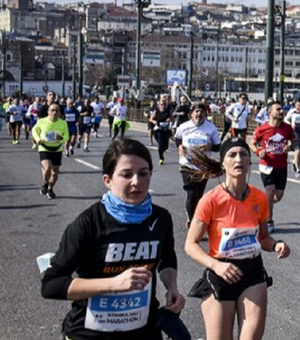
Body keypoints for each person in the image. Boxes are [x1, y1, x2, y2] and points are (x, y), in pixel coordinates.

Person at [41, 138, 186, 340]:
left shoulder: (160, 218)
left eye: (143, 173)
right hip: (90, 333)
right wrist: (113, 283)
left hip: (144, 331)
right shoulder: (89, 222)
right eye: (126, 175)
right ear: (108, 180)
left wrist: (172, 287)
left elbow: (167, 257)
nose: (137, 181)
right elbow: (51, 285)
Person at [184, 137, 290, 340]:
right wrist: (216, 266)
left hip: (252, 272)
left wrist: (276, 245)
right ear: (223, 162)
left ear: (250, 162)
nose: (238, 159)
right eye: (232, 155)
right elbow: (190, 245)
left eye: (243, 154)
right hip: (221, 272)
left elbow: (264, 237)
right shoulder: (211, 200)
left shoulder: (259, 198)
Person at [249, 100, 296, 233]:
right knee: (269, 191)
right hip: (266, 165)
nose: (282, 112)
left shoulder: (287, 128)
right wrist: (258, 151)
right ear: (270, 112)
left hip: (281, 166)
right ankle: (269, 221)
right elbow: (252, 143)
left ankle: (265, 204)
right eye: (278, 109)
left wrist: (290, 147)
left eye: (282, 110)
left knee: (278, 196)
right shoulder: (262, 129)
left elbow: (294, 141)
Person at [175, 102, 222, 227]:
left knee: (198, 194)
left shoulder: (211, 128)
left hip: (203, 165)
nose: (199, 114)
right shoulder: (184, 126)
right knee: (191, 191)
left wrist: (209, 146)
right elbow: (177, 138)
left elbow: (218, 146)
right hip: (187, 164)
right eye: (196, 111)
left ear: (205, 114)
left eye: (201, 112)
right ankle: (192, 219)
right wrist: (179, 145)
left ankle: (196, 212)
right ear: (191, 114)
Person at [33, 103, 69, 199]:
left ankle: (50, 189)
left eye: (56, 110)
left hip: (57, 149)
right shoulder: (42, 121)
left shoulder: (63, 123)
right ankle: (45, 183)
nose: (54, 112)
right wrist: (38, 139)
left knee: (54, 173)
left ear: (60, 113)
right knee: (47, 168)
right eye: (52, 110)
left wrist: (61, 138)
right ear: (48, 112)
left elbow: (66, 136)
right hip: (44, 147)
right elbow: (34, 130)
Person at [150, 95, 174, 165]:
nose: (163, 105)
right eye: (161, 104)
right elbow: (151, 119)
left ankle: (163, 149)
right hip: (159, 128)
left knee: (165, 146)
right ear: (159, 104)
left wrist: (170, 119)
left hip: (166, 128)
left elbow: (172, 118)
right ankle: (161, 158)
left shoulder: (168, 109)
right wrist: (154, 121)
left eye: (164, 104)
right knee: (160, 145)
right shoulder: (156, 110)